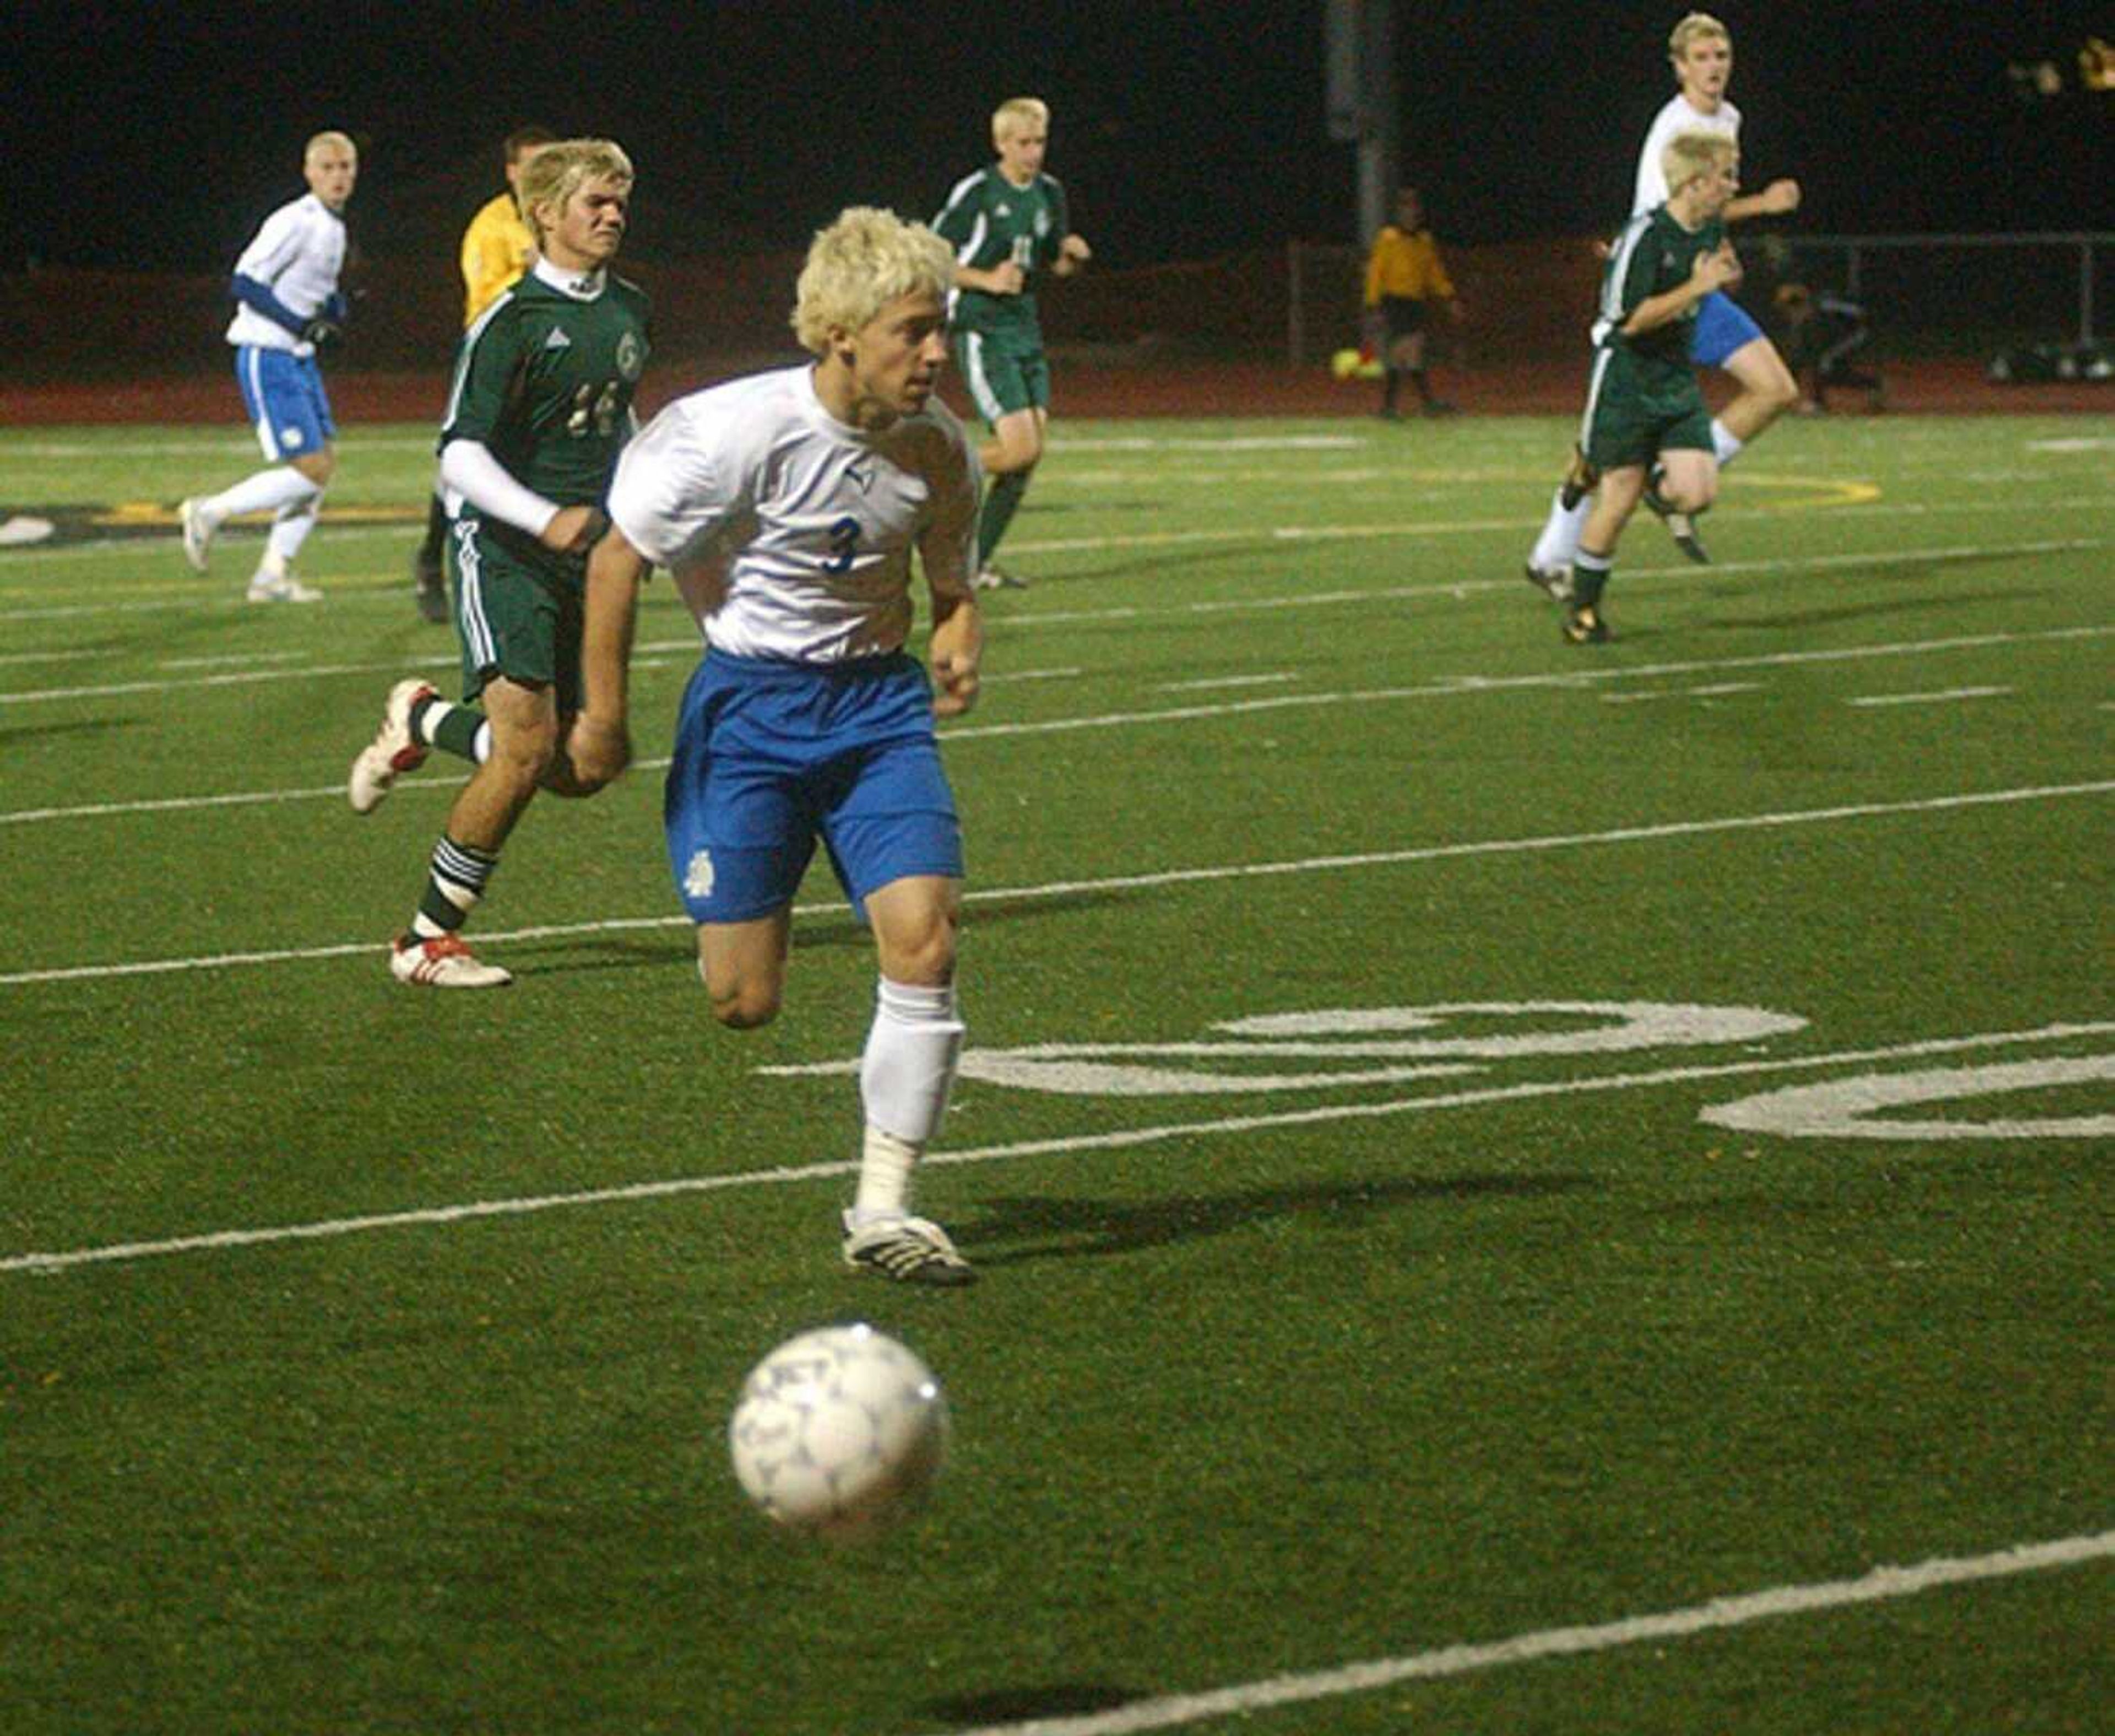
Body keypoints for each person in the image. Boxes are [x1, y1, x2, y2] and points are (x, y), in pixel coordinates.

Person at [572, 208, 984, 1286]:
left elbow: (950, 567)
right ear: (840, 333)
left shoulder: (938, 446)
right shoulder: (727, 435)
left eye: (940, 329)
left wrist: (956, 630)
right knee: (743, 1001)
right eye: (913, 332)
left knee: (926, 943)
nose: (936, 354)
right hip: (749, 717)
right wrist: (603, 719)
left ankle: (884, 1208)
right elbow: (618, 561)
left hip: (877, 718)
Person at [344, 139, 650, 989]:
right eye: (597, 202)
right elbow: (458, 457)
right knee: (521, 752)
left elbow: (616, 424)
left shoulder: (629, 309)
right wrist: (546, 518)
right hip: (505, 550)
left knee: (585, 765)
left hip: (590, 557)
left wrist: (641, 513)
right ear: (546, 212)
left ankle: (422, 722)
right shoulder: (508, 323)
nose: (614, 215)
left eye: (621, 200)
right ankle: (424, 942)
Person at [1526, 10, 1801, 588]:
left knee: (1776, 388)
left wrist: (1722, 252)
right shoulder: (1674, 130)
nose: (1713, 68)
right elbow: (1678, 212)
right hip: (1658, 290)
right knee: (1604, 450)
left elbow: (1707, 207)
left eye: (1721, 56)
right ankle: (1552, 556)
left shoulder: (1728, 117)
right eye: (1700, 58)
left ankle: (1658, 479)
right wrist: (1763, 206)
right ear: (1678, 68)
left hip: (1697, 283)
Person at [1555, 131, 1743, 645]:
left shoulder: (1710, 228)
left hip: (1674, 377)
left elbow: (1716, 274)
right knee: (1618, 498)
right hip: (1628, 377)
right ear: (1695, 181)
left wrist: (1725, 275)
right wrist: (1696, 288)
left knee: (1697, 493)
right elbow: (1628, 322)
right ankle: (1583, 613)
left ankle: (1603, 462)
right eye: (1726, 176)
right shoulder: (1645, 236)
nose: (1734, 185)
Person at [178, 131, 359, 603]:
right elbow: (245, 281)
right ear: (309, 172)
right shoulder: (294, 220)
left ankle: (272, 575)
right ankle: (209, 511)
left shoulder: (334, 226)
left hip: (298, 358)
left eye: (346, 168)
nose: (338, 177)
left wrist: (335, 311)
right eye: (329, 168)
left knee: (322, 467)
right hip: (268, 352)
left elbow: (318, 291)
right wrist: (298, 324)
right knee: (311, 468)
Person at [931, 95, 1090, 590]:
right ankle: (923, 477)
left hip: (1025, 328)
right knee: (1019, 450)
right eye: (1023, 142)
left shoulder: (1049, 193)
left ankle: (973, 564)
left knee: (1027, 458)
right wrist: (983, 279)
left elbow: (1053, 265)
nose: (1033, 151)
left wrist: (1073, 258)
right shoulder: (979, 191)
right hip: (981, 327)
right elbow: (931, 256)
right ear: (1001, 143)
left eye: (1040, 141)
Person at [411, 126, 556, 624]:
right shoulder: (492, 226)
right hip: (495, 360)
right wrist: (531, 272)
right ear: (512, 171)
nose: (542, 174)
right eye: (532, 164)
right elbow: (484, 301)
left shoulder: (562, 218)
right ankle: (433, 561)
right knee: (465, 459)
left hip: (551, 358)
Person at [1361, 186, 1465, 418]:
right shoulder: (1388, 238)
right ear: (1399, 213)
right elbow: (1376, 272)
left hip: (1416, 302)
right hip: (1394, 301)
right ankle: (1408, 405)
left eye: (1414, 210)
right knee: (1406, 349)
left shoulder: (1424, 241)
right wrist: (1373, 304)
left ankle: (1408, 405)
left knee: (1411, 353)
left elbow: (1434, 274)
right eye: (1406, 210)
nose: (1411, 215)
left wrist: (1449, 297)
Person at [1774, 281, 1880, 412]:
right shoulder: (1808, 320)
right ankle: (1819, 400)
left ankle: (1871, 386)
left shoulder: (1825, 306)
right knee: (1823, 365)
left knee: (1827, 365)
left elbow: (1860, 314)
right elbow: (1800, 352)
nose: (1789, 315)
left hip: (1855, 333)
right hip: (1836, 336)